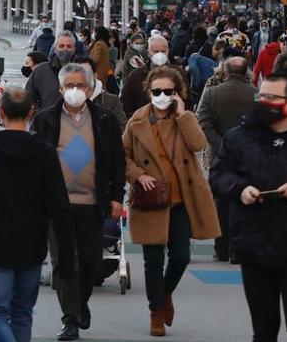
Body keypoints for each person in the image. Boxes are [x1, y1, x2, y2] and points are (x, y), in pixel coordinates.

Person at [210, 72, 287, 342]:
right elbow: (218, 175)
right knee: (264, 330)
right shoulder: (238, 137)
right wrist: (239, 189)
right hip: (253, 246)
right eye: (260, 96)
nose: (263, 102)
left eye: (271, 97)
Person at [0, 87, 76, 342]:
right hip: (32, 245)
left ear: (0, 112)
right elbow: (59, 206)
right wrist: (66, 254)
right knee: (23, 312)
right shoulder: (44, 152)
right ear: (31, 112)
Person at [31, 64, 126, 341]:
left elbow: (117, 161)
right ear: (61, 89)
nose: (75, 91)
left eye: (80, 85)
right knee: (63, 262)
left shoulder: (104, 119)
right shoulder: (46, 119)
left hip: (93, 201)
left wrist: (117, 197)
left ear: (89, 88)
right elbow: (35, 159)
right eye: (69, 86)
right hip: (57, 203)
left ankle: (80, 302)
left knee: (90, 261)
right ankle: (70, 318)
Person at [123, 67, 220, 337]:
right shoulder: (137, 122)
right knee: (152, 260)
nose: (163, 96)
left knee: (180, 256)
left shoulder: (184, 118)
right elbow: (124, 156)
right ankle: (156, 311)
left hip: (181, 198)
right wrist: (138, 175)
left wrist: (182, 114)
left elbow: (199, 144)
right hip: (150, 198)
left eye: (169, 91)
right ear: (149, 92)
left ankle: (165, 293)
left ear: (178, 93)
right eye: (157, 91)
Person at [195, 56, 257, 262]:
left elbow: (203, 122)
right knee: (246, 201)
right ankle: (239, 248)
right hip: (249, 156)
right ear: (246, 72)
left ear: (226, 72)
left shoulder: (213, 94)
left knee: (221, 202)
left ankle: (221, 247)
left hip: (220, 155)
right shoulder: (257, 95)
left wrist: (221, 144)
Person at [120, 36, 190, 119]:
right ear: (148, 52)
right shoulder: (136, 76)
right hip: (144, 126)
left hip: (172, 125)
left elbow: (188, 101)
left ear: (168, 52)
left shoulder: (179, 74)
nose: (160, 54)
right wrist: (138, 121)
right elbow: (125, 103)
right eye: (156, 51)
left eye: (163, 51)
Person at [25, 32, 78, 111]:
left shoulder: (81, 70)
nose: (65, 49)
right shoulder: (41, 70)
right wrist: (40, 114)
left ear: (74, 49)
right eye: (61, 46)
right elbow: (28, 96)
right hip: (46, 121)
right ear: (55, 48)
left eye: (69, 46)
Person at [79, 57, 127, 134]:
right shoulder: (70, 102)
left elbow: (122, 127)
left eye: (87, 72)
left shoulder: (111, 101)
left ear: (95, 75)